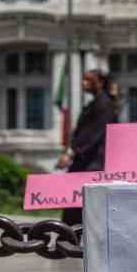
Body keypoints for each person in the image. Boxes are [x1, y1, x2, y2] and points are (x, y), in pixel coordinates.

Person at [56, 69, 118, 226]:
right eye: (83, 79)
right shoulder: (97, 102)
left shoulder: (104, 104)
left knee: (77, 207)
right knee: (76, 208)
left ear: (100, 82)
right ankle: (70, 241)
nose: (83, 83)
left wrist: (71, 153)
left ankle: (69, 242)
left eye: (88, 80)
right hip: (87, 161)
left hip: (92, 164)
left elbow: (92, 134)